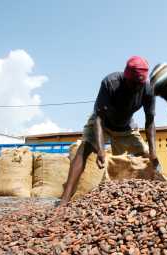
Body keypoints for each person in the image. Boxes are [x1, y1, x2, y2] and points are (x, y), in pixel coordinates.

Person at [60, 56, 158, 206]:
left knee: (147, 155)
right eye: (133, 84)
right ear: (126, 77)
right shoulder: (110, 83)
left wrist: (153, 151)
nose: (137, 88)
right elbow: (99, 118)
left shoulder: (148, 89)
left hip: (126, 126)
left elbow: (150, 121)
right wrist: (100, 149)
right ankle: (64, 200)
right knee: (84, 149)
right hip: (103, 123)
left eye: (140, 84)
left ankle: (160, 191)